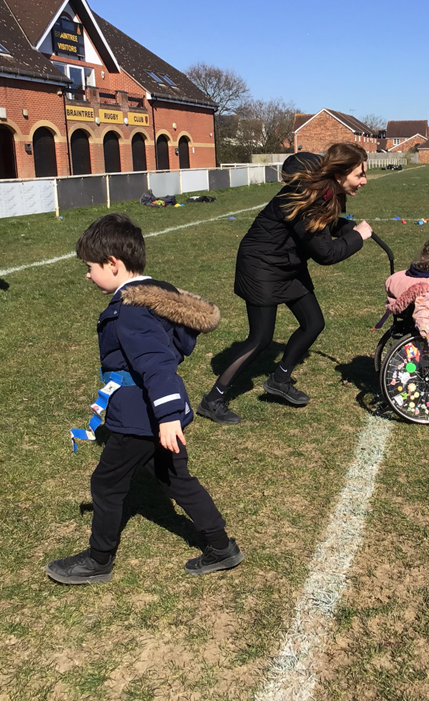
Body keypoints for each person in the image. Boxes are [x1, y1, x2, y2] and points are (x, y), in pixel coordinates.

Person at [46, 214, 242, 585]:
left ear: (112, 263)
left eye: (89, 267)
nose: (87, 275)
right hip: (157, 410)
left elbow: (156, 362)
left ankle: (98, 560)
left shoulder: (131, 312)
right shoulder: (156, 298)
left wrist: (166, 416)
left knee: (106, 484)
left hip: (140, 417)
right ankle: (222, 546)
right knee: (176, 479)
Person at [197, 144, 373, 424]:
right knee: (260, 338)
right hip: (261, 266)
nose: (364, 181)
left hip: (288, 264)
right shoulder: (312, 197)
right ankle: (213, 399)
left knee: (313, 323)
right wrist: (357, 237)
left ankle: (279, 379)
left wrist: (344, 227)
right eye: (359, 175)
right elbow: (326, 254)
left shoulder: (327, 193)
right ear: (340, 175)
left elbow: (320, 227)